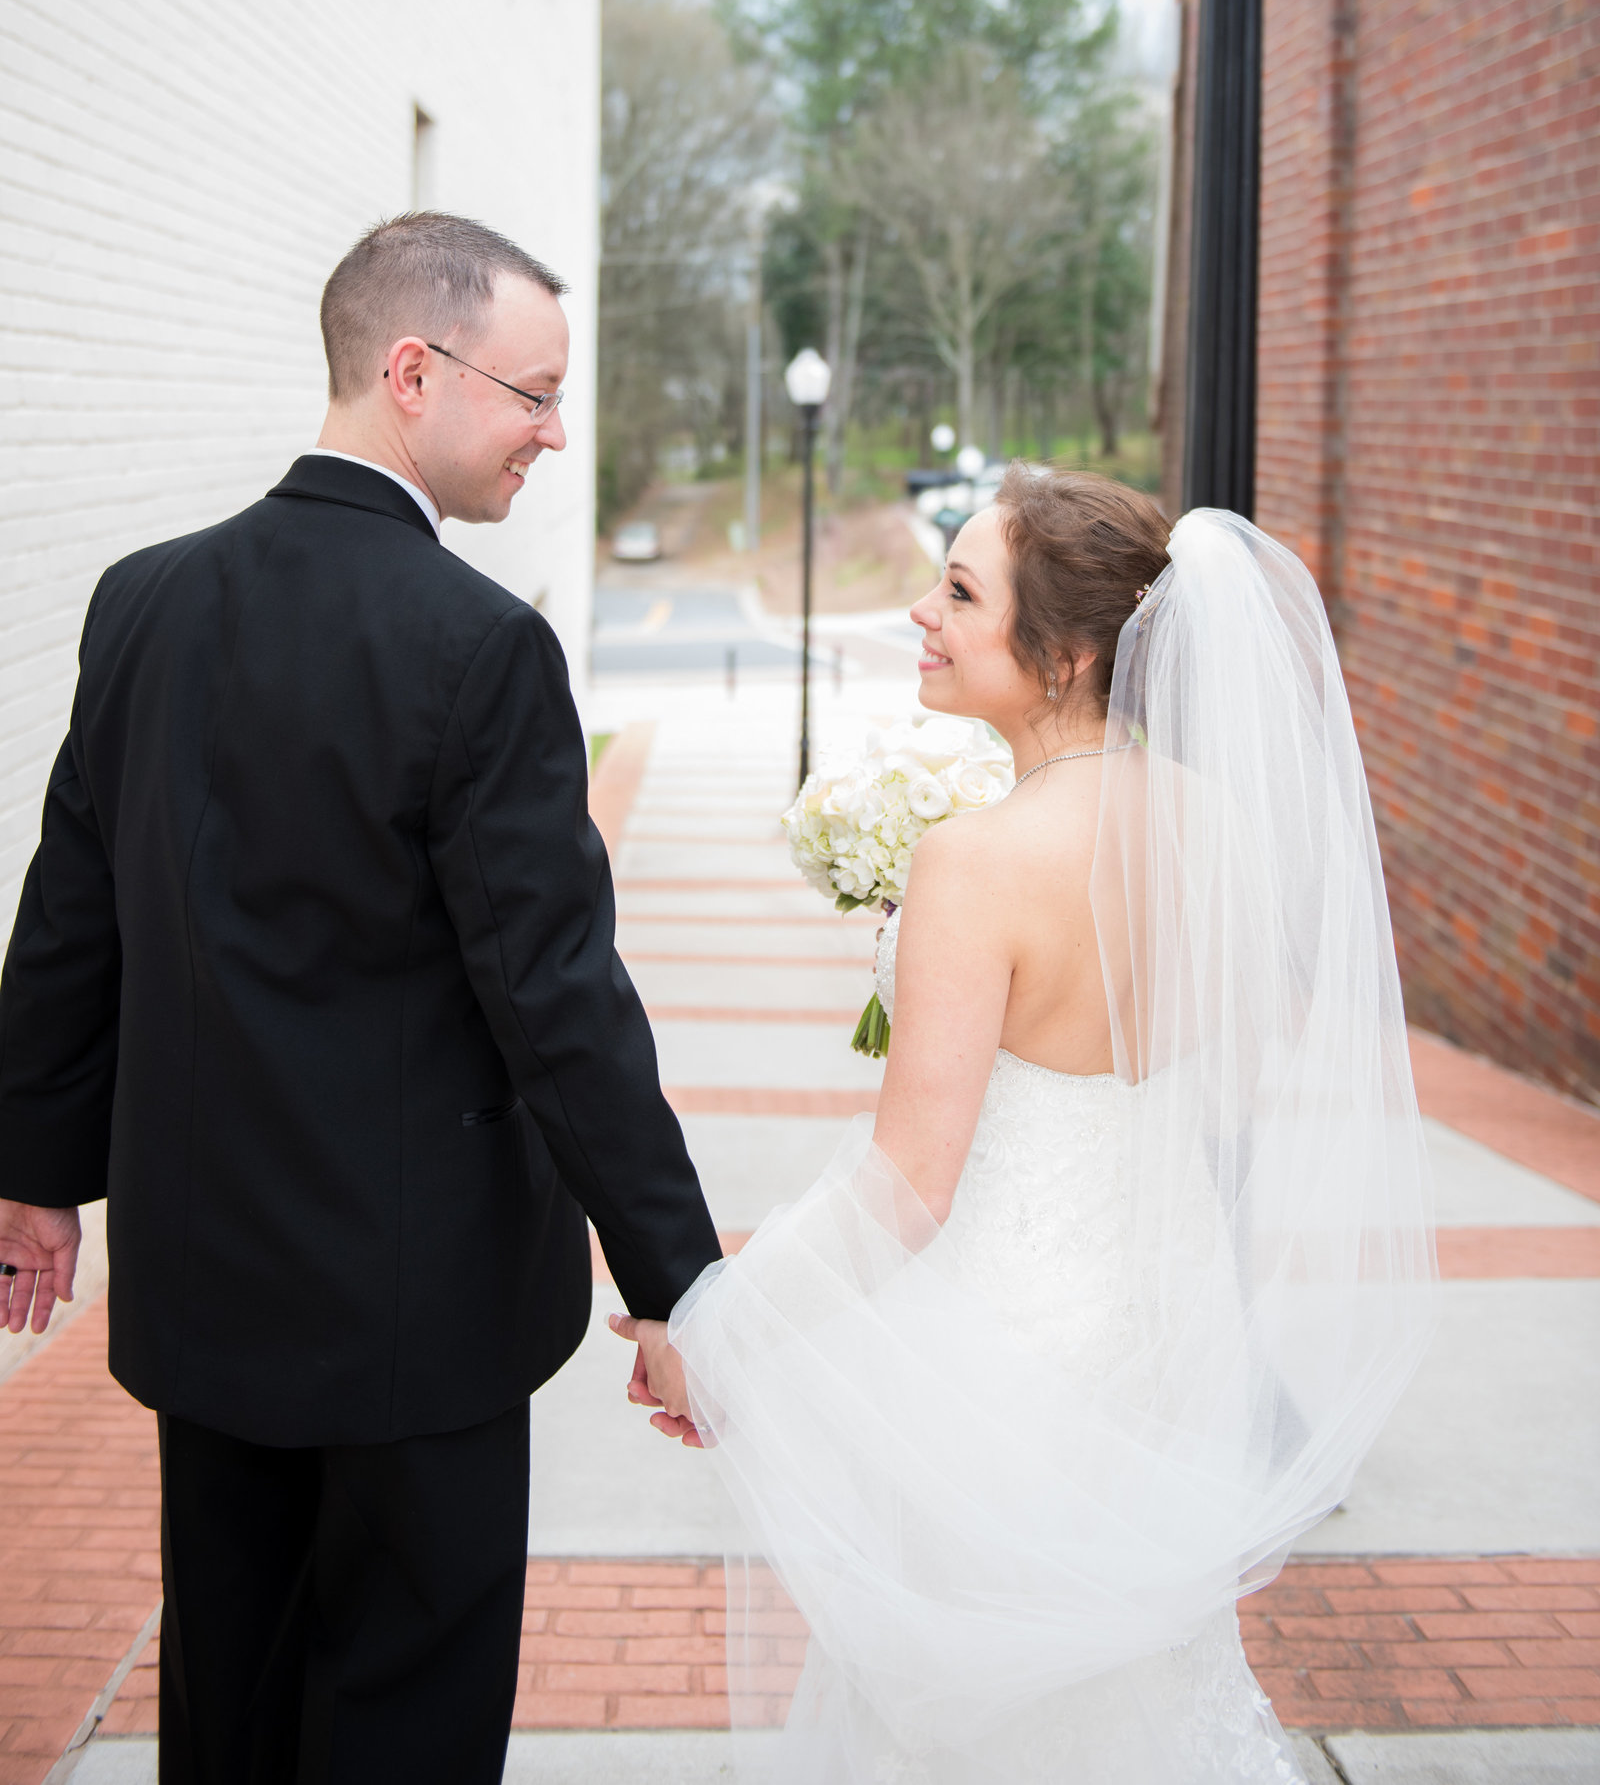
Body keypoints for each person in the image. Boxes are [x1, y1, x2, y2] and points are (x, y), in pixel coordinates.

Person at [0, 211, 722, 1784]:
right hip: (422, 1315)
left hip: (204, 1291)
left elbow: (67, 918)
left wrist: (37, 1175)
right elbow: (558, 999)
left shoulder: (141, 601)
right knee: (402, 1717)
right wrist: (676, 1277)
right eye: (532, 392)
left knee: (231, 1695)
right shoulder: (481, 647)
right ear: (414, 369)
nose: (552, 429)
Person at [616, 469, 1435, 1783]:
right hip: (1169, 1348)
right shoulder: (1216, 825)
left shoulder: (976, 861)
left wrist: (717, 1329)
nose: (921, 614)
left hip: (1005, 1361)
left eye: (957, 590)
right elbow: (1211, 1086)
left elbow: (905, 1191)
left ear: (1066, 653)